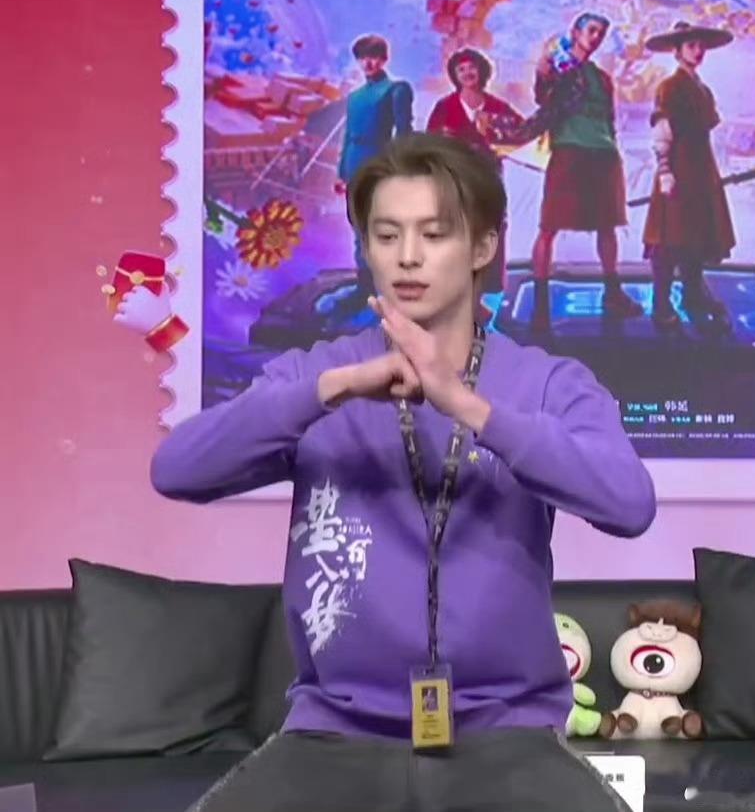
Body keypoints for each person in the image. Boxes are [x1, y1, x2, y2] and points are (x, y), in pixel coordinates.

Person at [153, 132, 655, 812]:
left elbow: (628, 503)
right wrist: (332, 390)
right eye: (386, 235)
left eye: (433, 234)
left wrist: (469, 406)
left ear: (482, 247)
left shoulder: (547, 383)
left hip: (507, 731)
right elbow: (178, 468)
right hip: (333, 730)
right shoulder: (316, 374)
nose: (407, 256)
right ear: (366, 248)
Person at [530, 12, 642, 330]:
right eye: (591, 30)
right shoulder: (558, 67)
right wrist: (543, 73)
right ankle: (541, 307)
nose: (596, 37)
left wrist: (612, 148)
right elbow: (542, 98)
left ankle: (613, 294)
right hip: (569, 151)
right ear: (576, 32)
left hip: (603, 154)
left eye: (601, 33)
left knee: (608, 225)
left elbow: (609, 119)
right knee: (549, 226)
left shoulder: (601, 78)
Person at [641, 21, 737, 335]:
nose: (698, 51)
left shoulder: (702, 89)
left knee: (695, 233)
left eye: (701, 46)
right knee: (670, 236)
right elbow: (662, 130)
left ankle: (693, 294)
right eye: (691, 45)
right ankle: (661, 303)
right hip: (678, 166)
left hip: (700, 167)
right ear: (678, 50)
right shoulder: (670, 86)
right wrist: (665, 170)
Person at [427, 47, 524, 311]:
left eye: (472, 67)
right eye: (461, 69)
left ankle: (482, 296)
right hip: (456, 181)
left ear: (482, 71)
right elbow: (431, 145)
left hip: (489, 180)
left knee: (489, 233)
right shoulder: (444, 107)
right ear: (454, 76)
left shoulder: (498, 107)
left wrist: (496, 135)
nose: (467, 73)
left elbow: (521, 134)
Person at [334, 34, 414, 316]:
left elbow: (403, 132)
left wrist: (400, 169)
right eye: (363, 57)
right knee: (359, 228)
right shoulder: (355, 97)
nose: (368, 63)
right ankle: (365, 288)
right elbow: (348, 136)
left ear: (384, 59)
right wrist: (341, 172)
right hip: (354, 166)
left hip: (379, 163)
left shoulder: (396, 89)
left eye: (374, 57)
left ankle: (393, 286)